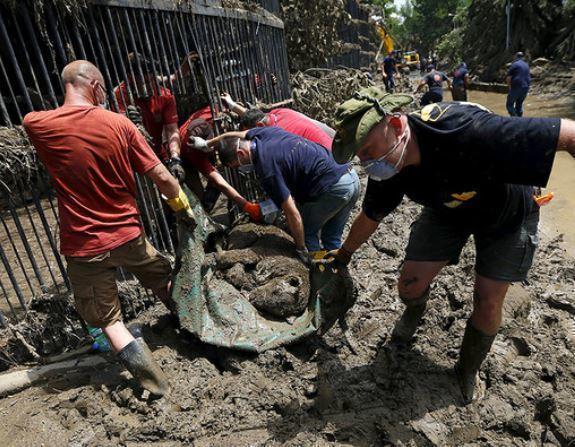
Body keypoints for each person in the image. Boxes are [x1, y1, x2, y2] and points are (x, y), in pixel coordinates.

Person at [327, 86, 575, 404]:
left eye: (369, 150)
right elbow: (371, 215)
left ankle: (466, 370)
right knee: (409, 285)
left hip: (507, 213)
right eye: (361, 157)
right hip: (448, 209)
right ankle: (413, 315)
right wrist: (344, 254)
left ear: (397, 126)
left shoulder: (466, 131)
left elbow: (567, 133)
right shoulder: (388, 166)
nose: (368, 162)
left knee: (486, 302)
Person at [23, 61, 198, 397]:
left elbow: (38, 120)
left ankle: (155, 384)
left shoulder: (38, 124)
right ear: (97, 86)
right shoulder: (119, 125)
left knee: (110, 321)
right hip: (129, 236)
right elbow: (162, 177)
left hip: (85, 245)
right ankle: (193, 328)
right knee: (164, 281)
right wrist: (183, 209)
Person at [216, 126, 360, 261]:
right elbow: (238, 134)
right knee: (331, 237)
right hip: (351, 177)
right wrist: (209, 143)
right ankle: (336, 275)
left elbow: (292, 213)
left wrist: (301, 248)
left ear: (241, 154)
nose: (242, 169)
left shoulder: (267, 169)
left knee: (308, 233)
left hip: (333, 189)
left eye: (237, 166)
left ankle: (317, 272)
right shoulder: (265, 133)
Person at [114, 53, 185, 182]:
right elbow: (123, 132)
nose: (150, 86)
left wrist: (175, 157)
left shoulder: (164, 95)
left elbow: (171, 130)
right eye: (145, 82)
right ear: (130, 78)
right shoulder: (120, 96)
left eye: (152, 80)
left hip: (157, 153)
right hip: (132, 160)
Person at [178, 106, 253, 214]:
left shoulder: (215, 112)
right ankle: (203, 215)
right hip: (185, 156)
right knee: (197, 195)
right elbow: (217, 180)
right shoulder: (193, 150)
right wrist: (246, 205)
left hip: (202, 141)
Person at [220, 93, 335, 149]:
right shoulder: (278, 113)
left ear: (259, 126)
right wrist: (233, 105)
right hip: (335, 140)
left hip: (333, 160)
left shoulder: (279, 136)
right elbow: (256, 116)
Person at [506, 52, 531, 117]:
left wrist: (510, 87)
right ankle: (520, 120)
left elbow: (509, 78)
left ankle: (515, 118)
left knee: (509, 105)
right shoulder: (526, 65)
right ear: (523, 57)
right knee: (519, 105)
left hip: (517, 87)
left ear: (516, 57)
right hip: (526, 87)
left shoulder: (514, 64)